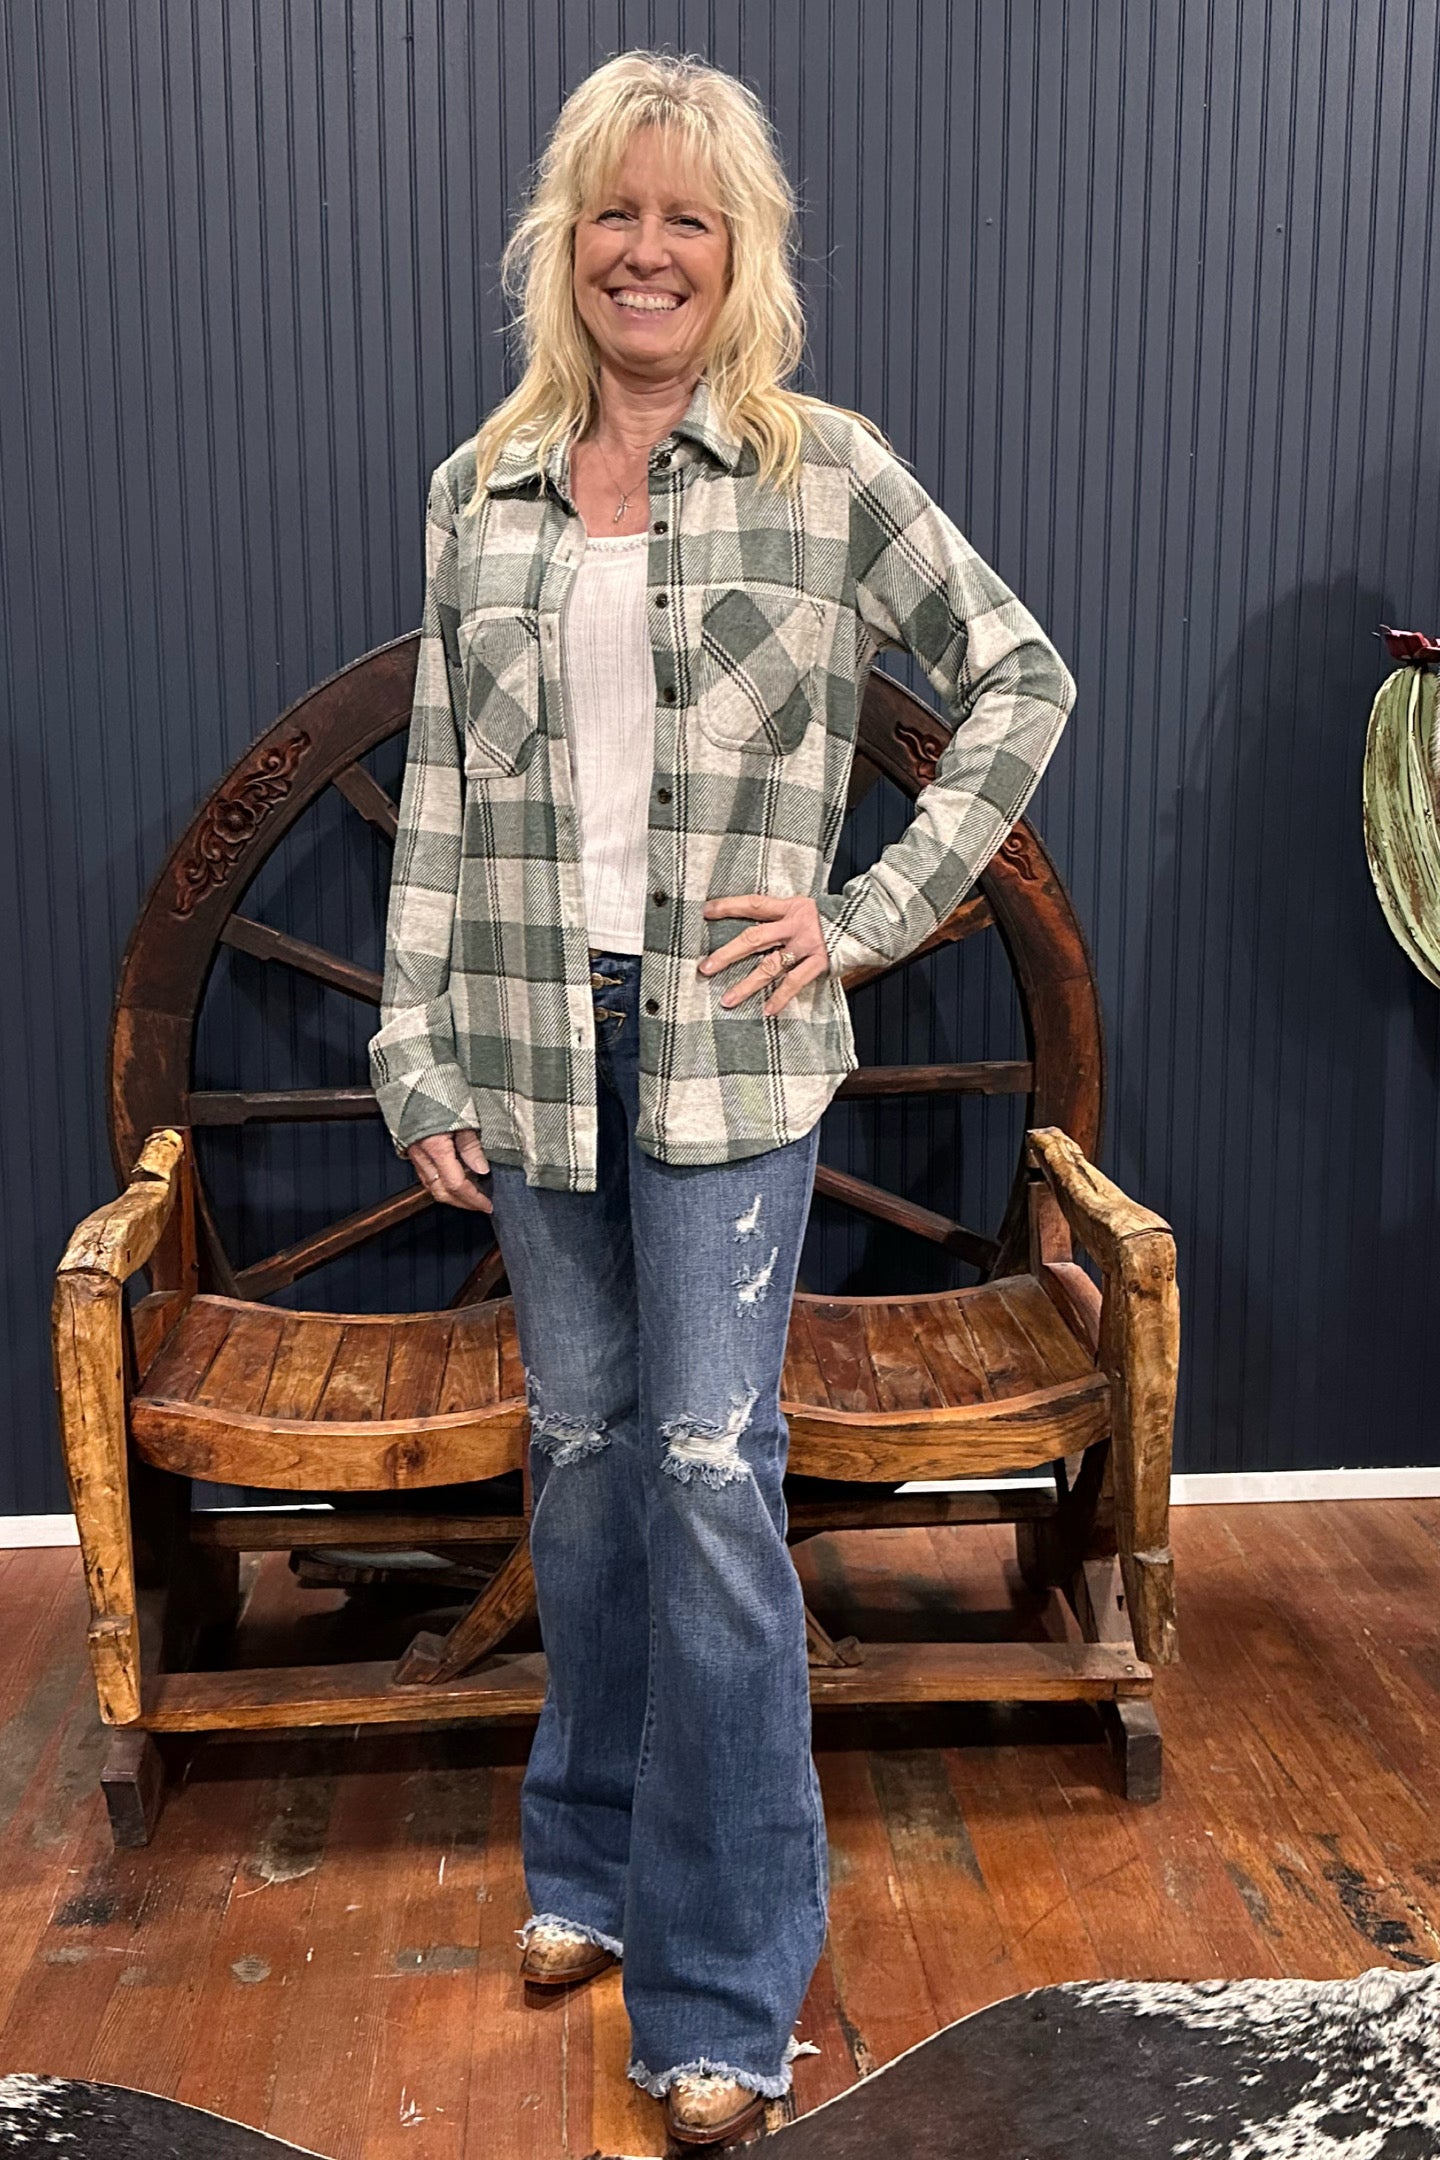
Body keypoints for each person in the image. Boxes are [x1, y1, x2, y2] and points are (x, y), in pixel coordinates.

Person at [369, 47, 1076, 2150]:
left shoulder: (825, 472)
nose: (647, 250)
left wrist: (869, 917)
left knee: (702, 1469)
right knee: (584, 1461)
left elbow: (1019, 677)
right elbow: (441, 791)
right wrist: (411, 1040)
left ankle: (720, 1988)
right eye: (616, 211)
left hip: (730, 1047)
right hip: (526, 1037)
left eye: (688, 217)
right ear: (564, 243)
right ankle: (583, 1866)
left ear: (740, 251)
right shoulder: (479, 491)